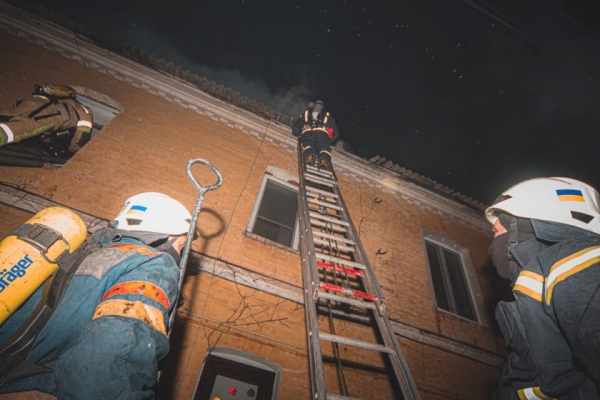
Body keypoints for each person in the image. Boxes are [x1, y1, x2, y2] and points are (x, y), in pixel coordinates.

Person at [0, 192, 193, 399]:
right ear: (166, 233)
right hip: (31, 387)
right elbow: (117, 350)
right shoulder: (152, 262)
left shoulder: (77, 254)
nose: (180, 255)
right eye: (181, 245)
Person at [485, 177, 600, 399]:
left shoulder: (576, 267)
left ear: (525, 227)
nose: (493, 246)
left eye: (498, 232)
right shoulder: (539, 285)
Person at [0, 83, 93, 154]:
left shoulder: (55, 98)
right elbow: (83, 132)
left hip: (33, 102)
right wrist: (74, 149)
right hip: (56, 114)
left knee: (8, 115)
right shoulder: (84, 109)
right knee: (26, 126)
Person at [292, 100, 339, 170]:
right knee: (324, 148)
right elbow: (336, 133)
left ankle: (309, 158)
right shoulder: (327, 115)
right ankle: (323, 162)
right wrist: (328, 140)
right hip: (322, 135)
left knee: (308, 145)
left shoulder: (307, 113)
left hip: (308, 134)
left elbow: (295, 128)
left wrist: (300, 134)